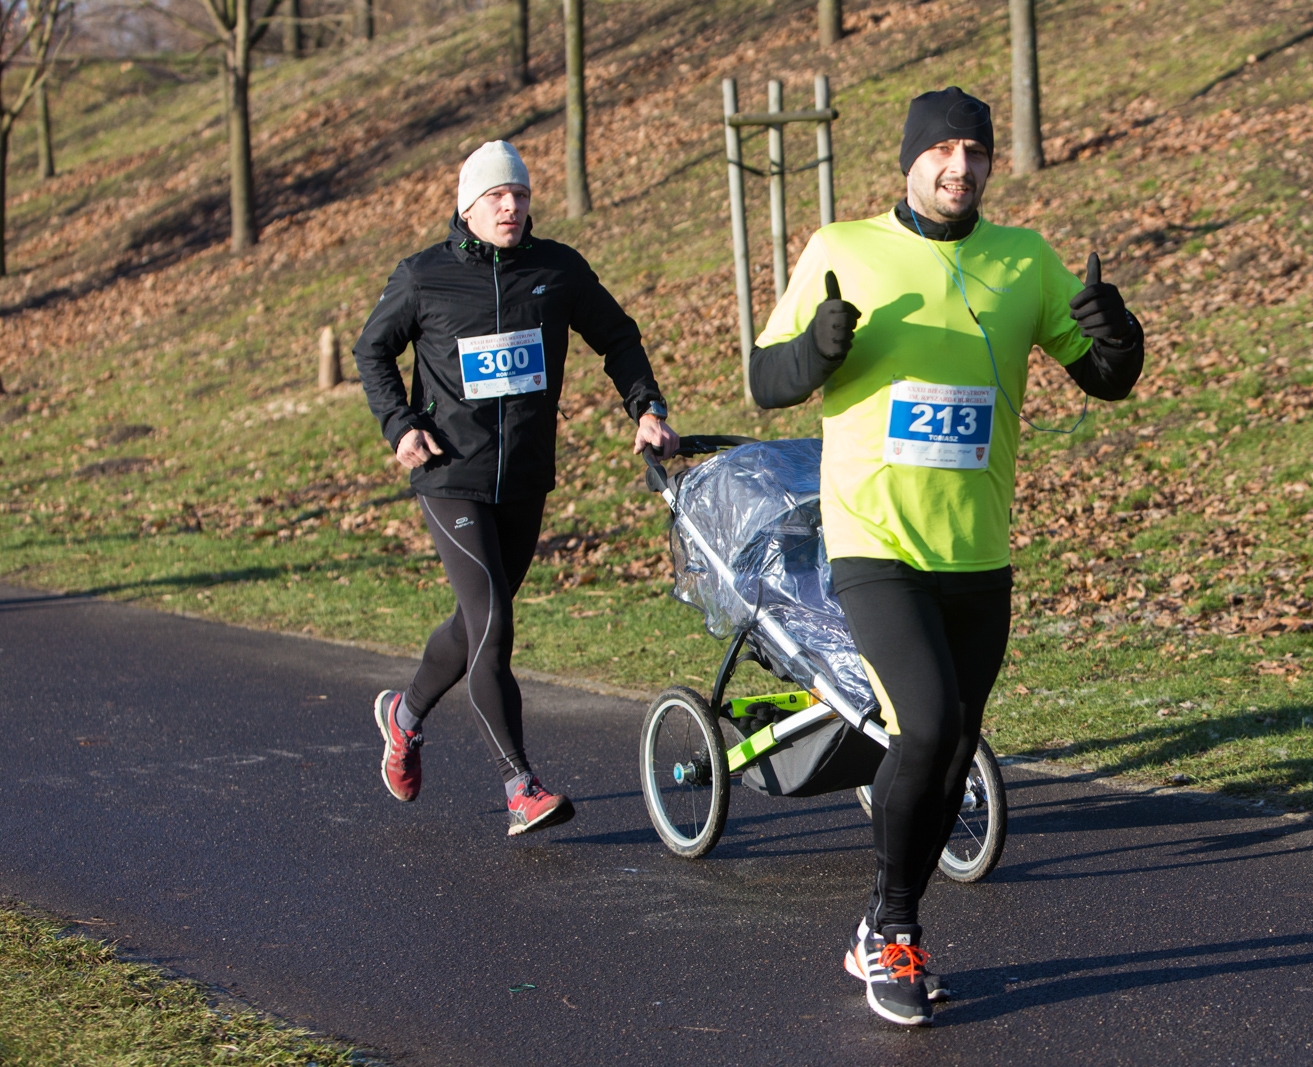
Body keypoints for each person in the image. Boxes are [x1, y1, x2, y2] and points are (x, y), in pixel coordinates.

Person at [748, 87, 1144, 1026]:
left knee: (955, 744)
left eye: (975, 151)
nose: (958, 167)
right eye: (942, 150)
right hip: (874, 539)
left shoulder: (1024, 259)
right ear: (910, 159)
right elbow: (768, 381)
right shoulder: (842, 248)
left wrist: (1118, 333)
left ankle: (882, 925)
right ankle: (894, 926)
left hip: (979, 547)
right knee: (924, 727)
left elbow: (1105, 380)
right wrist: (817, 347)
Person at [354, 140, 678, 836]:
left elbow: (617, 337)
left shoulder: (556, 269)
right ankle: (520, 784)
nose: (513, 205)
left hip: (525, 475)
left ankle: (402, 717)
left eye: (522, 195)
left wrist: (646, 407)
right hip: (449, 473)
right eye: (499, 196)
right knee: (494, 623)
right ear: (468, 205)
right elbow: (372, 348)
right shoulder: (424, 276)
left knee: (475, 623)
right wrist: (400, 425)